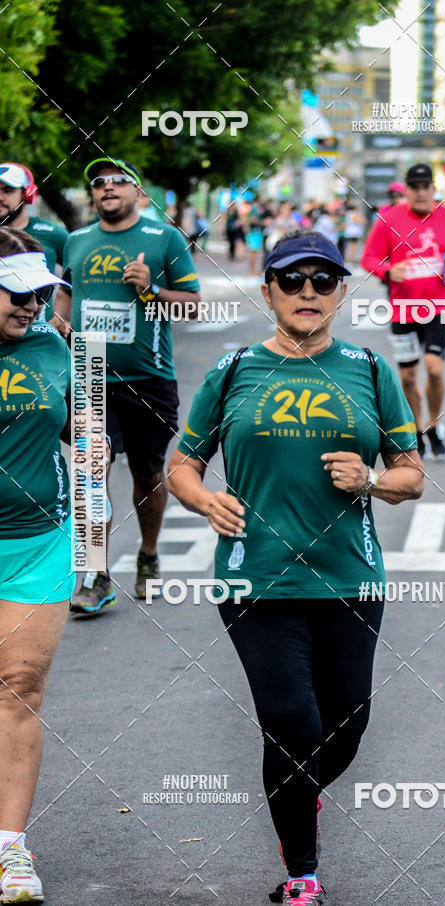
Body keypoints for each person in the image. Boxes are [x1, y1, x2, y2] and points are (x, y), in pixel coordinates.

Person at [167, 231, 424, 906]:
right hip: (257, 578)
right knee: (291, 722)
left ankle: (294, 796)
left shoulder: (370, 371)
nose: (307, 291)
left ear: (341, 291)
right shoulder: (232, 371)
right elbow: (182, 465)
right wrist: (203, 499)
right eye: (291, 279)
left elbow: (412, 474)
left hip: (350, 577)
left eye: (322, 280)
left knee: (346, 729)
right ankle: (303, 874)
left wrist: (371, 478)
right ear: (268, 289)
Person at [51, 157, 201, 613]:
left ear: (139, 192)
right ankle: (95, 572)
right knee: (90, 470)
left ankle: (149, 554)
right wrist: (60, 315)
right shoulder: (77, 241)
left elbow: (192, 306)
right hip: (90, 370)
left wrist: (151, 291)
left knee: (147, 475)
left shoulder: (164, 238)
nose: (107, 187)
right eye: (98, 183)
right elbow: (66, 289)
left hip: (150, 378)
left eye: (118, 180)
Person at [0, 228, 75, 902]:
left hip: (36, 539)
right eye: (17, 292)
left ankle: (10, 850)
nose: (32, 303)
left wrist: (91, 437)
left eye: (41, 291)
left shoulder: (53, 348)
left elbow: (76, 423)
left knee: (19, 682)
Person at [362, 163, 445, 459]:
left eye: (425, 186)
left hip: (438, 306)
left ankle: (435, 424)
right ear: (406, 190)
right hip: (403, 309)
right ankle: (416, 431)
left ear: (433, 189)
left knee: (434, 368)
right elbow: (369, 257)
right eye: (414, 187)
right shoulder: (388, 219)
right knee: (407, 377)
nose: (420, 192)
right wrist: (388, 271)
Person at [0, 162, 68, 319]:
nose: (0, 197)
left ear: (28, 194)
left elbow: (79, 278)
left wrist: (61, 318)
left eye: (8, 190)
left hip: (37, 337)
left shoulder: (53, 233)